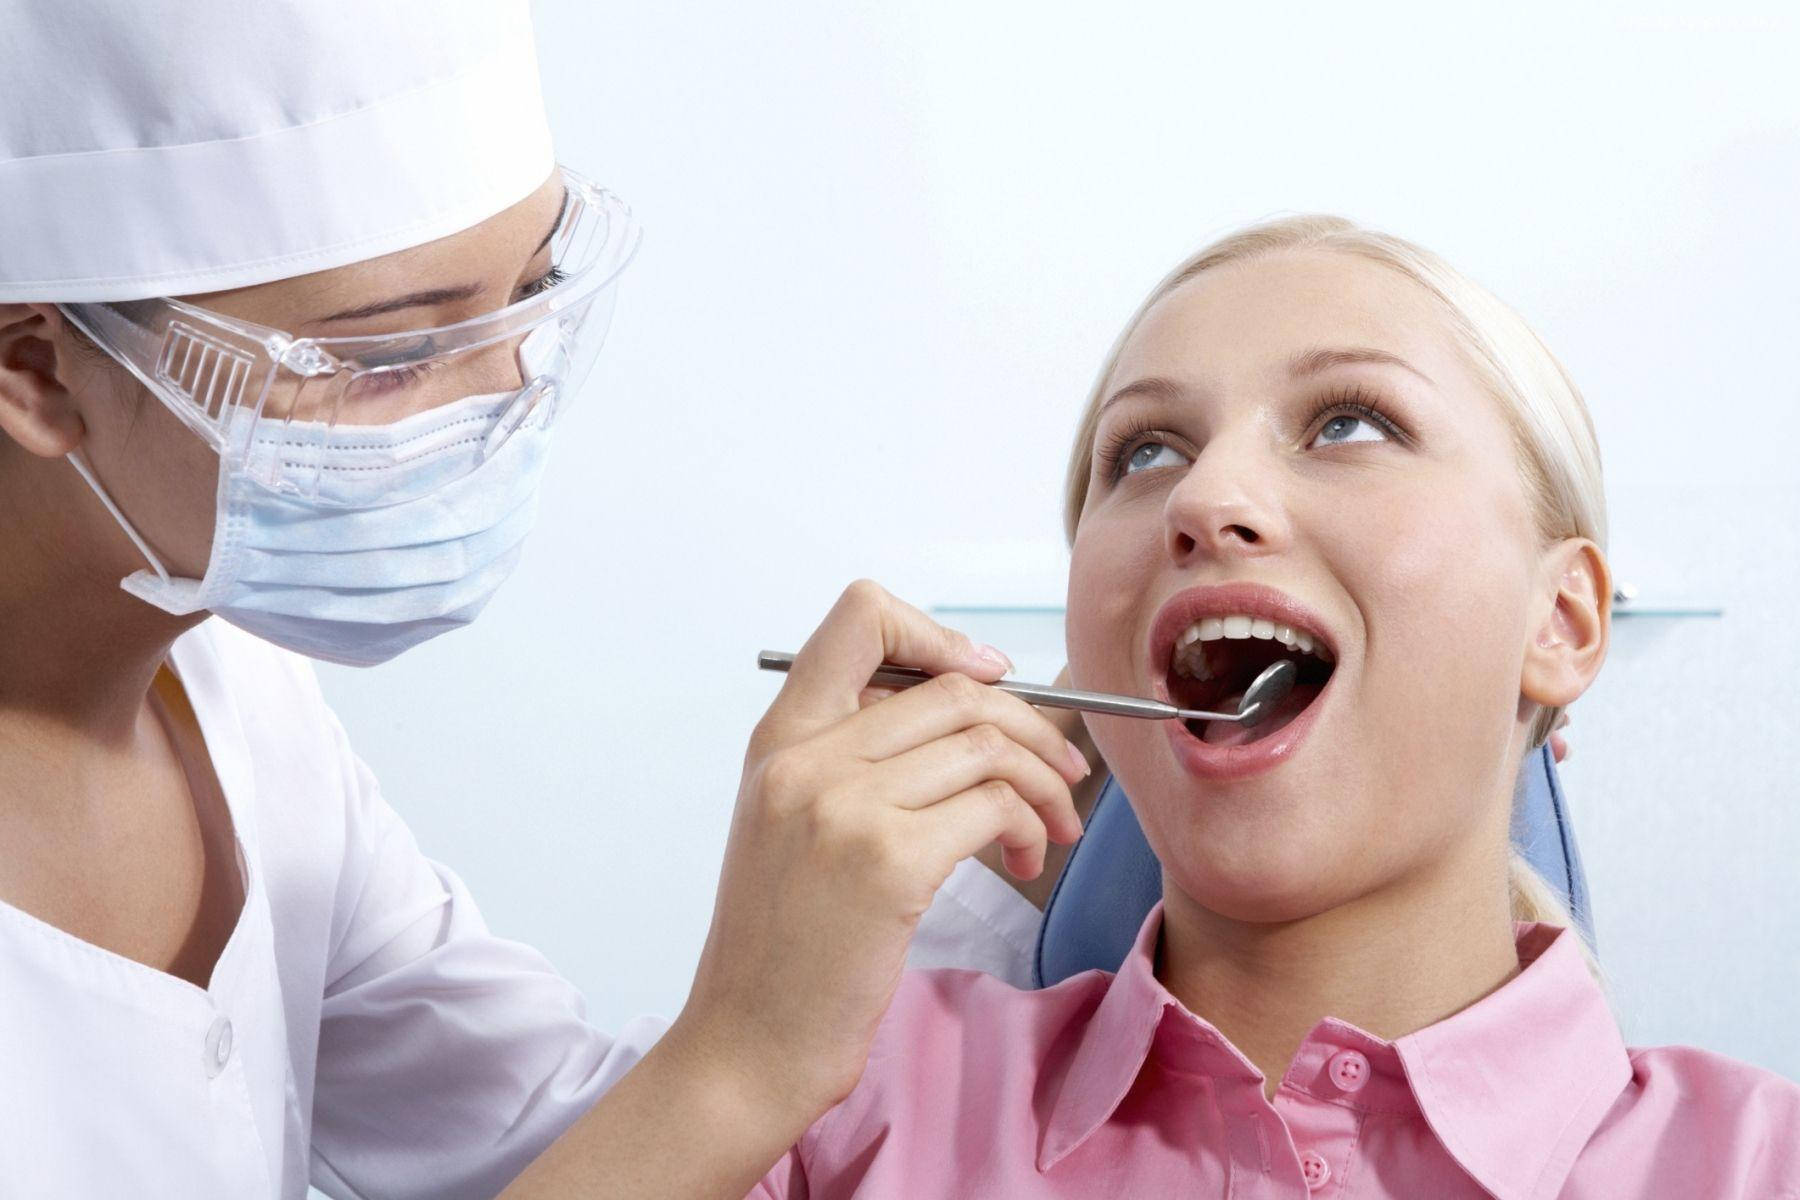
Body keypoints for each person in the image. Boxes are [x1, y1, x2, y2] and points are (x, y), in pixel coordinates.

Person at [0, 3, 1089, 1196]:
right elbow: (691, 1110)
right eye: (390, 359)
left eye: (530, 294)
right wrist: (741, 1055)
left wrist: (965, 847)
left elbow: (559, 1143)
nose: (505, 402)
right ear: (38, 369)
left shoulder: (240, 708)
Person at [747, 215, 1800, 1197]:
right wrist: (739, 1068)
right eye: (1146, 452)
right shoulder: (823, 1095)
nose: (1205, 499)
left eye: (1349, 423)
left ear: (1560, 623)